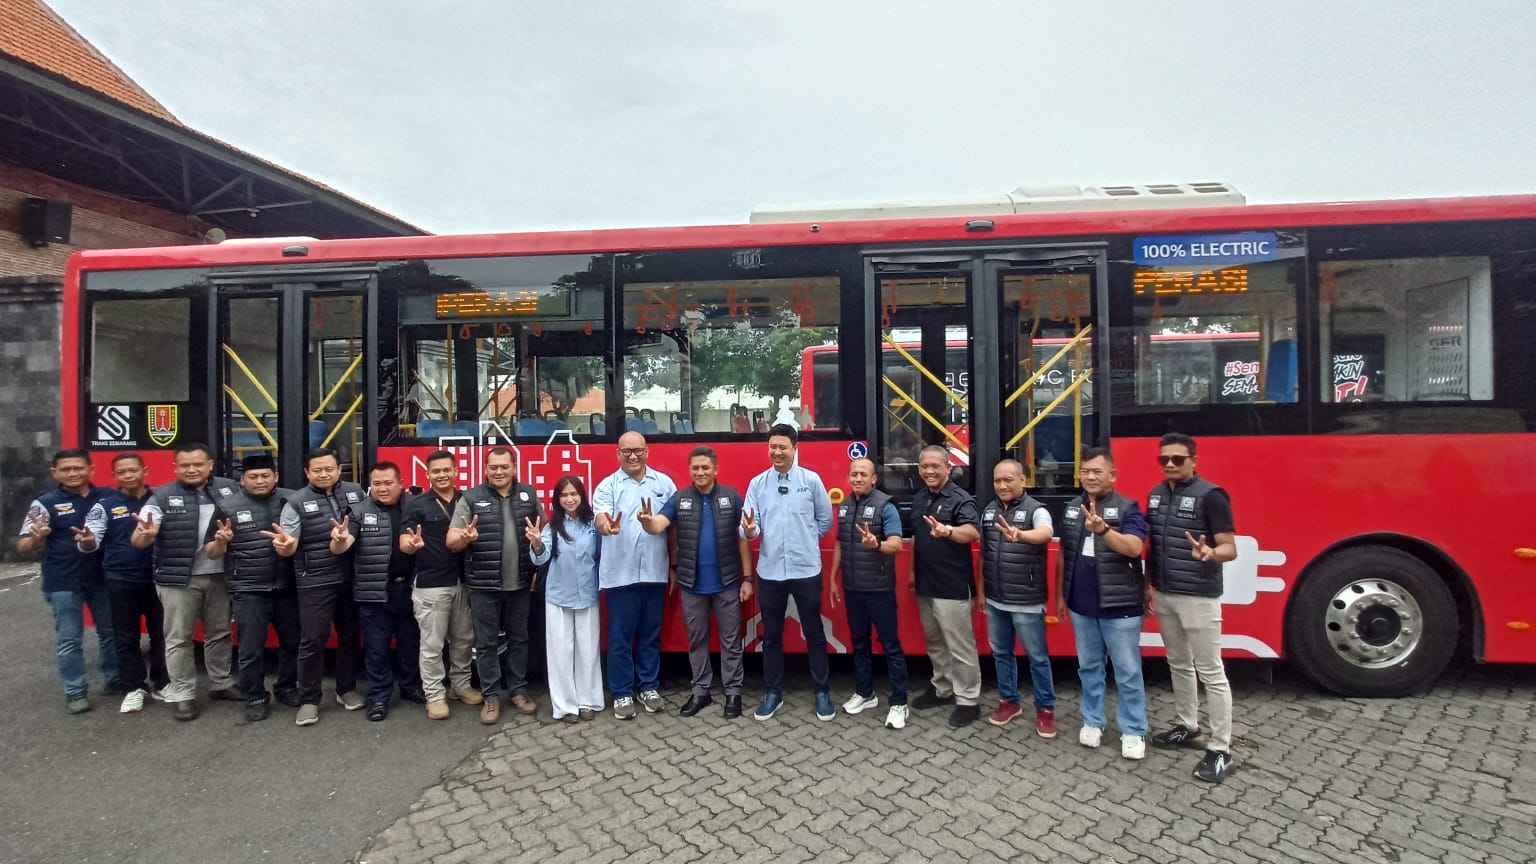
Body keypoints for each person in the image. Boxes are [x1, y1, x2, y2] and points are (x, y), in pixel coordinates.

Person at [1146, 432, 1239, 783]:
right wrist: (1147, 586)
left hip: (1199, 595)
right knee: (1179, 664)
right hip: (1165, 593)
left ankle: (1220, 748)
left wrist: (1211, 553)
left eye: (1178, 459)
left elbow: (1230, 547)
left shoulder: (1212, 496)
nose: (1170, 464)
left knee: (1211, 671)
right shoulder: (1155, 495)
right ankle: (1188, 726)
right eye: (1164, 459)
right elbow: (1152, 546)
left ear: (1194, 461)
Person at [638, 446, 753, 719]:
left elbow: (743, 538)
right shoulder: (679, 499)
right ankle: (701, 691)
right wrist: (646, 523)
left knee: (731, 642)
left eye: (705, 468)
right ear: (690, 470)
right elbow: (658, 526)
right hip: (692, 585)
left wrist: (748, 578)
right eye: (695, 468)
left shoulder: (731, 497)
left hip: (727, 583)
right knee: (697, 641)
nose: (700, 472)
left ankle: (733, 693)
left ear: (716, 469)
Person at [1053, 446, 1150, 760]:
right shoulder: (1071, 509)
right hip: (1082, 605)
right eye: (1085, 471)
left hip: (1120, 608)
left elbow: (1134, 547)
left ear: (1113, 475)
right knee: (1089, 667)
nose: (1090, 477)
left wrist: (1104, 530)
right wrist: (1060, 596)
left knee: (1128, 671)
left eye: (1097, 471)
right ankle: (1092, 721)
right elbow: (1065, 555)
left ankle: (1134, 729)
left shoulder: (1128, 509)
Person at [132, 442, 240, 721]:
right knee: (179, 639)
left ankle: (221, 682)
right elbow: (139, 538)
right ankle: (183, 694)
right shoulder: (161, 497)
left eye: (198, 464)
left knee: (220, 633)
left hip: (220, 574)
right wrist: (146, 533)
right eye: (185, 465)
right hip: (179, 579)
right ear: (175, 468)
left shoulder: (229, 488)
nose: (192, 469)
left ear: (210, 465)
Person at [742, 424, 834, 721]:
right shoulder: (757, 484)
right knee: (771, 637)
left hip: (806, 569)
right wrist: (750, 530)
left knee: (815, 633)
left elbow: (825, 520)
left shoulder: (811, 481)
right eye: (773, 446)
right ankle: (773, 693)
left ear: (795, 449)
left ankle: (822, 691)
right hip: (770, 572)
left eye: (783, 447)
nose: (777, 452)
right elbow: (750, 530)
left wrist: (804, 542)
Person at [447, 446, 543, 724]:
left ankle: (518, 691)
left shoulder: (528, 494)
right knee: (487, 644)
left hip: (521, 583)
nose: (498, 472)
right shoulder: (472, 498)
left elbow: (542, 535)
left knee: (520, 640)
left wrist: (538, 563)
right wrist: (465, 537)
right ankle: (491, 697)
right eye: (493, 467)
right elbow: (451, 541)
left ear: (514, 467)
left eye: (504, 466)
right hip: (483, 586)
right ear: (485, 468)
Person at [271, 447, 366, 726]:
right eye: (317, 470)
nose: (323, 474)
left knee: (350, 635)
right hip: (314, 581)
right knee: (312, 639)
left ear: (339, 470)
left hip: (351, 578)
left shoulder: (356, 492)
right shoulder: (296, 502)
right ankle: (310, 699)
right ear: (307, 473)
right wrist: (286, 546)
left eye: (329, 469)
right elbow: (288, 545)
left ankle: (345, 689)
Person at [203, 454, 302, 721]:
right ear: (242, 480)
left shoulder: (291, 499)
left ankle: (287, 687)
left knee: (292, 642)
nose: (260, 481)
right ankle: (255, 695)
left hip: (287, 586)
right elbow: (211, 551)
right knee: (250, 649)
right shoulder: (227, 506)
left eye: (265, 475)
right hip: (248, 589)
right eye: (253, 477)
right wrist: (222, 542)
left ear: (276, 477)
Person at [18, 448, 116, 714]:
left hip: (102, 577)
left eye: (78, 468)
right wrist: (38, 537)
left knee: (110, 633)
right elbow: (24, 546)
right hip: (63, 581)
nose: (73, 473)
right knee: (70, 639)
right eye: (66, 469)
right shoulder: (44, 503)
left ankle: (115, 681)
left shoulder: (107, 497)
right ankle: (76, 692)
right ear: (55, 473)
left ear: (91, 470)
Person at [592, 432, 676, 720]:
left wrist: (673, 565)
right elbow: (600, 517)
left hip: (655, 571)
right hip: (621, 575)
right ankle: (622, 692)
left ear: (647, 452)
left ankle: (648, 686)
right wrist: (607, 527)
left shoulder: (664, 484)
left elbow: (672, 528)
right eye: (626, 451)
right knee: (620, 637)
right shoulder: (607, 486)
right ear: (618, 454)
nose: (632, 456)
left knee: (651, 635)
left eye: (638, 450)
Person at [333, 462, 424, 721]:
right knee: (376, 648)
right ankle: (379, 697)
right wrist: (339, 541)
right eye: (376, 484)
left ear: (401, 482)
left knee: (410, 643)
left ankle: (410, 687)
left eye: (388, 483)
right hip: (373, 592)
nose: (382, 488)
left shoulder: (415, 506)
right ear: (369, 485)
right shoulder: (359, 510)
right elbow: (343, 543)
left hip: (410, 589)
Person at [79, 453, 166, 714]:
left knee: (162, 634)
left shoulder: (160, 500)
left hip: (159, 578)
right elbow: (91, 539)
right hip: (120, 579)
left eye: (133, 470)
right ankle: (134, 688)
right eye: (122, 472)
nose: (128, 475)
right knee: (125, 636)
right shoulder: (104, 505)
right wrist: (87, 542)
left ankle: (163, 683)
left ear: (145, 471)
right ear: (114, 476)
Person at [828, 457, 909, 730]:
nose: (858, 478)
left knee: (891, 646)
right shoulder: (846, 506)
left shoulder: (886, 506)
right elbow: (840, 543)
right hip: (852, 588)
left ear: (874, 478)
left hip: (879, 589)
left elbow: (897, 545)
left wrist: (876, 545)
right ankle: (865, 693)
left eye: (864, 474)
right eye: (854, 474)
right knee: (859, 643)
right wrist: (833, 579)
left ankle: (899, 703)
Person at [400, 450, 481, 720]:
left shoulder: (466, 500)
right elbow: (404, 540)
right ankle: (434, 695)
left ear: (455, 471)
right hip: (431, 584)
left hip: (464, 582)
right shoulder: (417, 504)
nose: (442, 475)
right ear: (427, 474)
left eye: (447, 470)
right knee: (432, 645)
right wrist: (410, 546)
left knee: (463, 640)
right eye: (436, 471)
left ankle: (460, 686)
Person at [980, 459, 1057, 737]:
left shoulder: (1037, 510)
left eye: (1008, 480)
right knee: (1001, 653)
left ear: (1023, 481)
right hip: (995, 598)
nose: (1002, 485)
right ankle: (1009, 702)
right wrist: (981, 591)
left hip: (1026, 600)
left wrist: (1021, 535)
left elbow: (1046, 533)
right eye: (997, 480)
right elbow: (984, 554)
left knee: (1037, 657)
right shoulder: (989, 511)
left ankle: (1045, 710)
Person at [907, 445, 983, 727]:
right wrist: (912, 572)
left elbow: (973, 532)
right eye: (924, 466)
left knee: (960, 646)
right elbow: (917, 536)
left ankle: (968, 701)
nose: (929, 471)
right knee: (935, 642)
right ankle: (943, 689)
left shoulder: (960, 499)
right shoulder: (919, 499)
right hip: (925, 584)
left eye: (935, 466)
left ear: (948, 468)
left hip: (952, 586)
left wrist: (948, 530)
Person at [530, 476, 603, 723]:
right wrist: (538, 544)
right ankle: (565, 706)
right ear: (557, 500)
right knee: (561, 652)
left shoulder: (593, 524)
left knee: (588, 650)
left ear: (582, 496)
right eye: (564, 495)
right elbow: (540, 559)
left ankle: (587, 701)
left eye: (574, 493)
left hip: (588, 594)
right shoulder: (551, 528)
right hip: (559, 597)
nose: (570, 499)